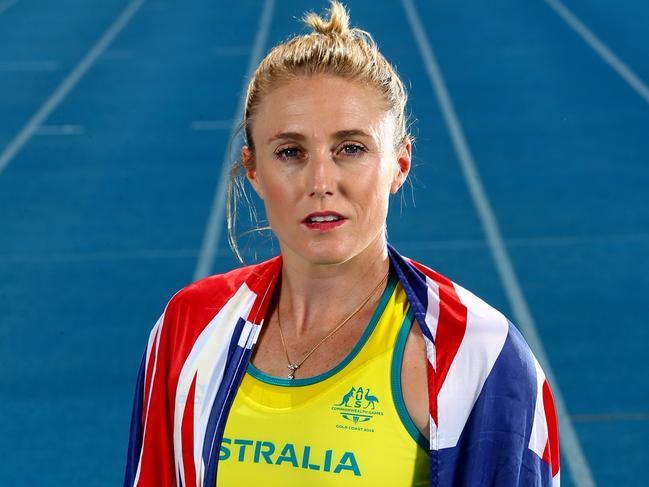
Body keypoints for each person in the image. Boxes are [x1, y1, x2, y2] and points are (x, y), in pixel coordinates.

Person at [124, 2, 560, 486]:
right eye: (290, 152)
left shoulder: (476, 354)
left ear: (399, 164)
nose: (320, 181)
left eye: (350, 148)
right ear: (253, 170)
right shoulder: (190, 327)